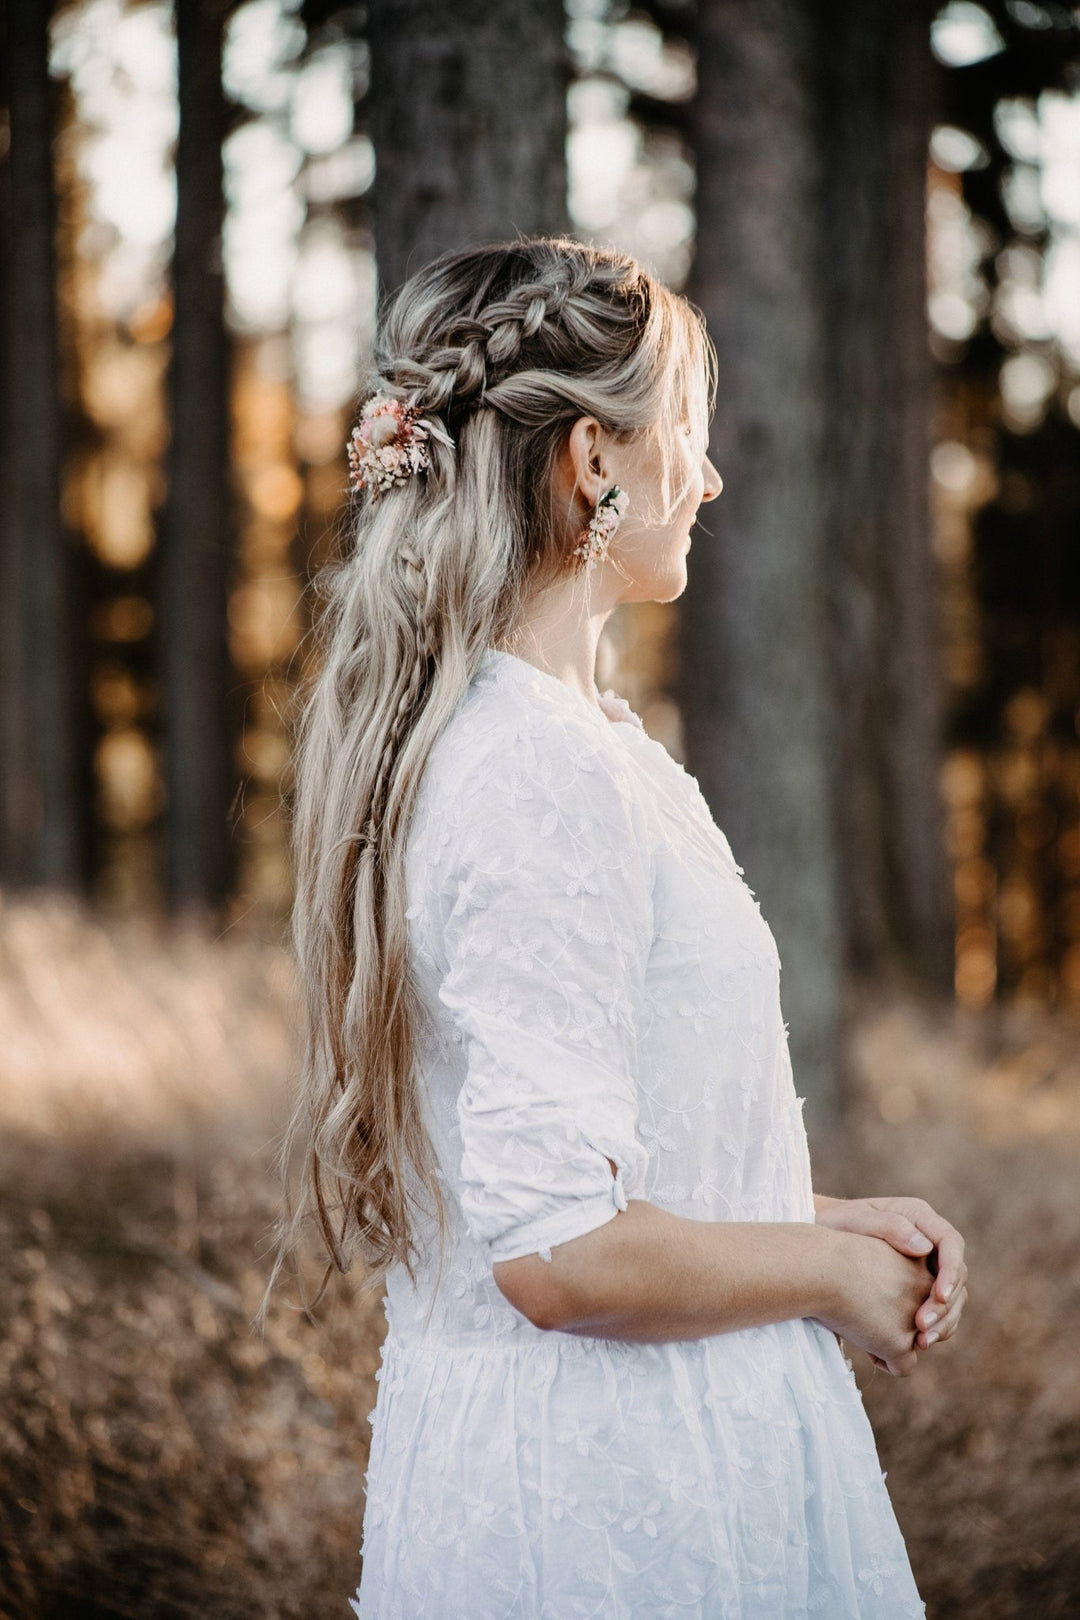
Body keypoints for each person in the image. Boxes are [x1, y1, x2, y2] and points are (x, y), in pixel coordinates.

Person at [266, 235, 968, 1618]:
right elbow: (556, 1253)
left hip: (667, 1448)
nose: (704, 477)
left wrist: (821, 1219)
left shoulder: (589, 749)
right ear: (596, 458)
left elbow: (576, 1164)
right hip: (613, 1507)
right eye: (688, 434)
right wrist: (826, 1274)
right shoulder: (536, 774)